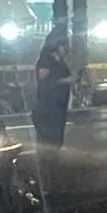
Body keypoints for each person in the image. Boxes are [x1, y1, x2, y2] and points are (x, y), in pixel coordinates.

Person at [32, 32, 73, 187]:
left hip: (57, 108)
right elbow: (45, 82)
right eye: (66, 45)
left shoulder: (59, 60)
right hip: (48, 109)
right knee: (48, 145)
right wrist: (64, 81)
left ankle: (52, 179)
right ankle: (46, 181)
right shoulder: (47, 59)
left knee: (54, 145)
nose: (68, 48)